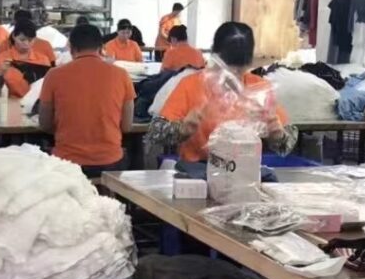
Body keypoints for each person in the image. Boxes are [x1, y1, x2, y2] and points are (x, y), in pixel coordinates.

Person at [156, 22, 296, 162]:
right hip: (198, 169)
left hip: (245, 168)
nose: (231, 75)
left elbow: (285, 146)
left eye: (239, 69)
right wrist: (182, 129)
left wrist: (277, 135)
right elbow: (156, 132)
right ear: (214, 58)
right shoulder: (190, 85)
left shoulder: (259, 89)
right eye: (226, 67)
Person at [38, 24, 136, 178]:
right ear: (101, 48)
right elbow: (126, 126)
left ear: (71, 49)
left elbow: (44, 124)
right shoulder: (122, 75)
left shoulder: (54, 75)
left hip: (67, 163)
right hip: (110, 161)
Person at [0, 19, 55, 98]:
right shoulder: (1, 59)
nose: (26, 44)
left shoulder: (43, 60)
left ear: (35, 39)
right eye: (22, 40)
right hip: (9, 101)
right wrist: (0, 73)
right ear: (14, 36)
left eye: (30, 40)